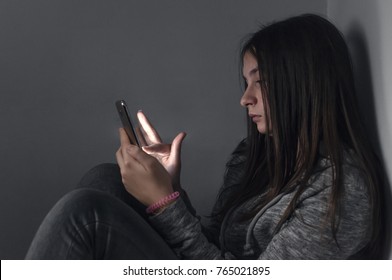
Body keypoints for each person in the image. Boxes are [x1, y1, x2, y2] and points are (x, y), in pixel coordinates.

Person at [25, 14, 383, 260]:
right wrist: (170, 189)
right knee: (106, 177)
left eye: (262, 82)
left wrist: (164, 204)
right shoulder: (254, 155)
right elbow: (214, 244)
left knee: (85, 215)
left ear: (306, 86)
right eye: (246, 84)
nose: (246, 99)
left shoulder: (340, 192)